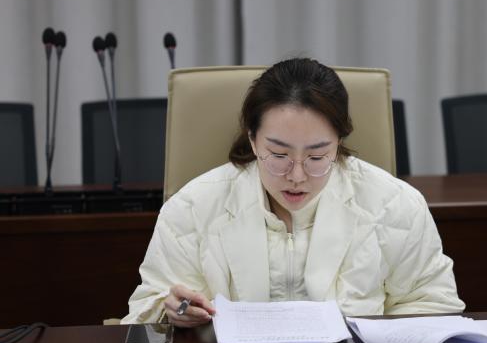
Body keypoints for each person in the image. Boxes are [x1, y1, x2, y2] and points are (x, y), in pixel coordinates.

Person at [122, 58, 464, 327]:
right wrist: (171, 311)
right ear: (253, 140)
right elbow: (145, 311)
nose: (297, 176)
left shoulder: (396, 204)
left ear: (339, 143)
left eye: (317, 157)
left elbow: (435, 304)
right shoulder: (193, 206)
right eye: (279, 155)